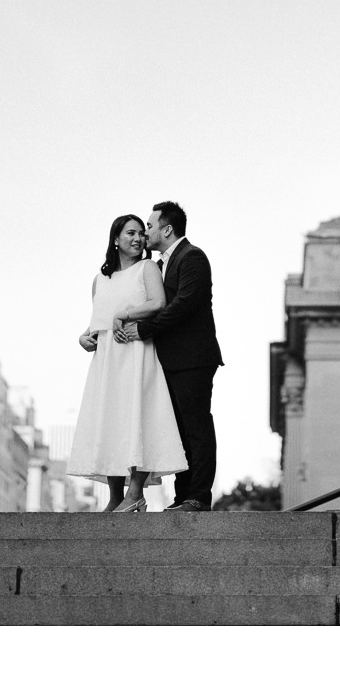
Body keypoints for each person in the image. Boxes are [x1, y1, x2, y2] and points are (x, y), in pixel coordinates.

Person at [66, 214, 187, 512]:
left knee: (139, 418)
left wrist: (126, 314)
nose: (137, 238)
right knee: (111, 422)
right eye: (130, 233)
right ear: (115, 238)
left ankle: (136, 493)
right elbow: (97, 321)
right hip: (107, 360)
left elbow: (158, 302)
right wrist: (83, 338)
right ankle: (116, 497)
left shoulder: (147, 268)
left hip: (137, 353)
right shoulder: (100, 280)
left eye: (140, 234)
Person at [113, 200, 221, 510]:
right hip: (169, 361)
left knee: (197, 428)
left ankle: (198, 497)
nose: (145, 233)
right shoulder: (160, 265)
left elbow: (183, 306)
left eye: (149, 226)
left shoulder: (193, 258)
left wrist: (143, 329)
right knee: (180, 433)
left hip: (193, 359)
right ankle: (182, 497)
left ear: (167, 229)